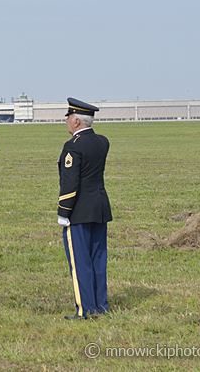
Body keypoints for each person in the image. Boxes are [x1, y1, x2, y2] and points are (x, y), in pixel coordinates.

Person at [57, 97, 112, 320]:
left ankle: (86, 310)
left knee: (81, 263)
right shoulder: (102, 141)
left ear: (77, 122)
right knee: (98, 260)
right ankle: (101, 306)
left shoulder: (72, 147)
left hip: (79, 210)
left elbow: (70, 183)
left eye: (69, 118)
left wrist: (63, 211)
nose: (67, 123)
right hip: (99, 207)